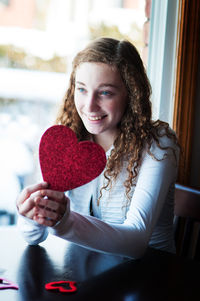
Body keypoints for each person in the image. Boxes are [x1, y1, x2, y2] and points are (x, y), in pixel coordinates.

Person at [16, 37, 179, 259]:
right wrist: (31, 215)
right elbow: (33, 237)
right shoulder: (66, 139)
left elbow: (137, 242)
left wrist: (65, 222)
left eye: (105, 93)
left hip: (151, 275)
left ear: (131, 95)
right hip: (85, 271)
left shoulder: (158, 144)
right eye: (82, 89)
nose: (89, 105)